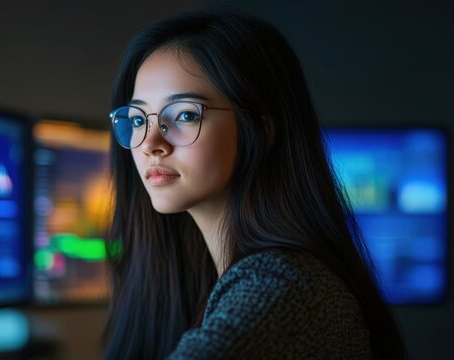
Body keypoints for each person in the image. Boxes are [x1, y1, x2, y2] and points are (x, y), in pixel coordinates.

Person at [101, 9, 405, 360]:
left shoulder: (283, 289)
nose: (151, 142)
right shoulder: (202, 281)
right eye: (138, 119)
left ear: (261, 130)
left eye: (185, 114)